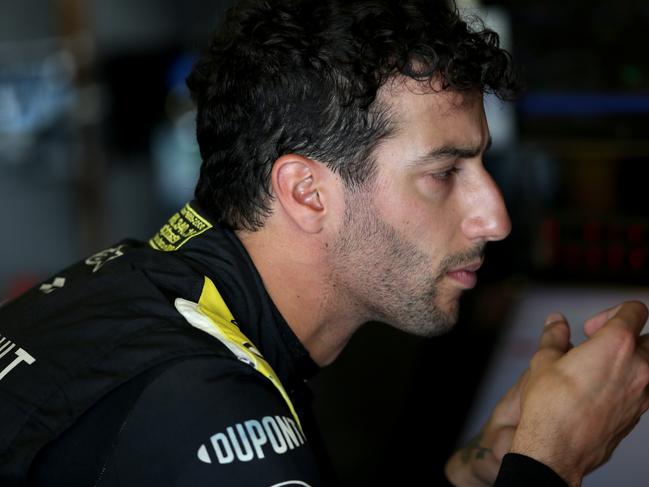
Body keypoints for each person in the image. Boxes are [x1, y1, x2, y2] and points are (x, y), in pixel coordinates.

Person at [1, 0, 648, 486]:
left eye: (482, 166)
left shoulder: (148, 288)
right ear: (307, 192)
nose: (495, 217)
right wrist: (548, 464)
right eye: (444, 173)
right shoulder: (207, 410)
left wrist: (481, 468)